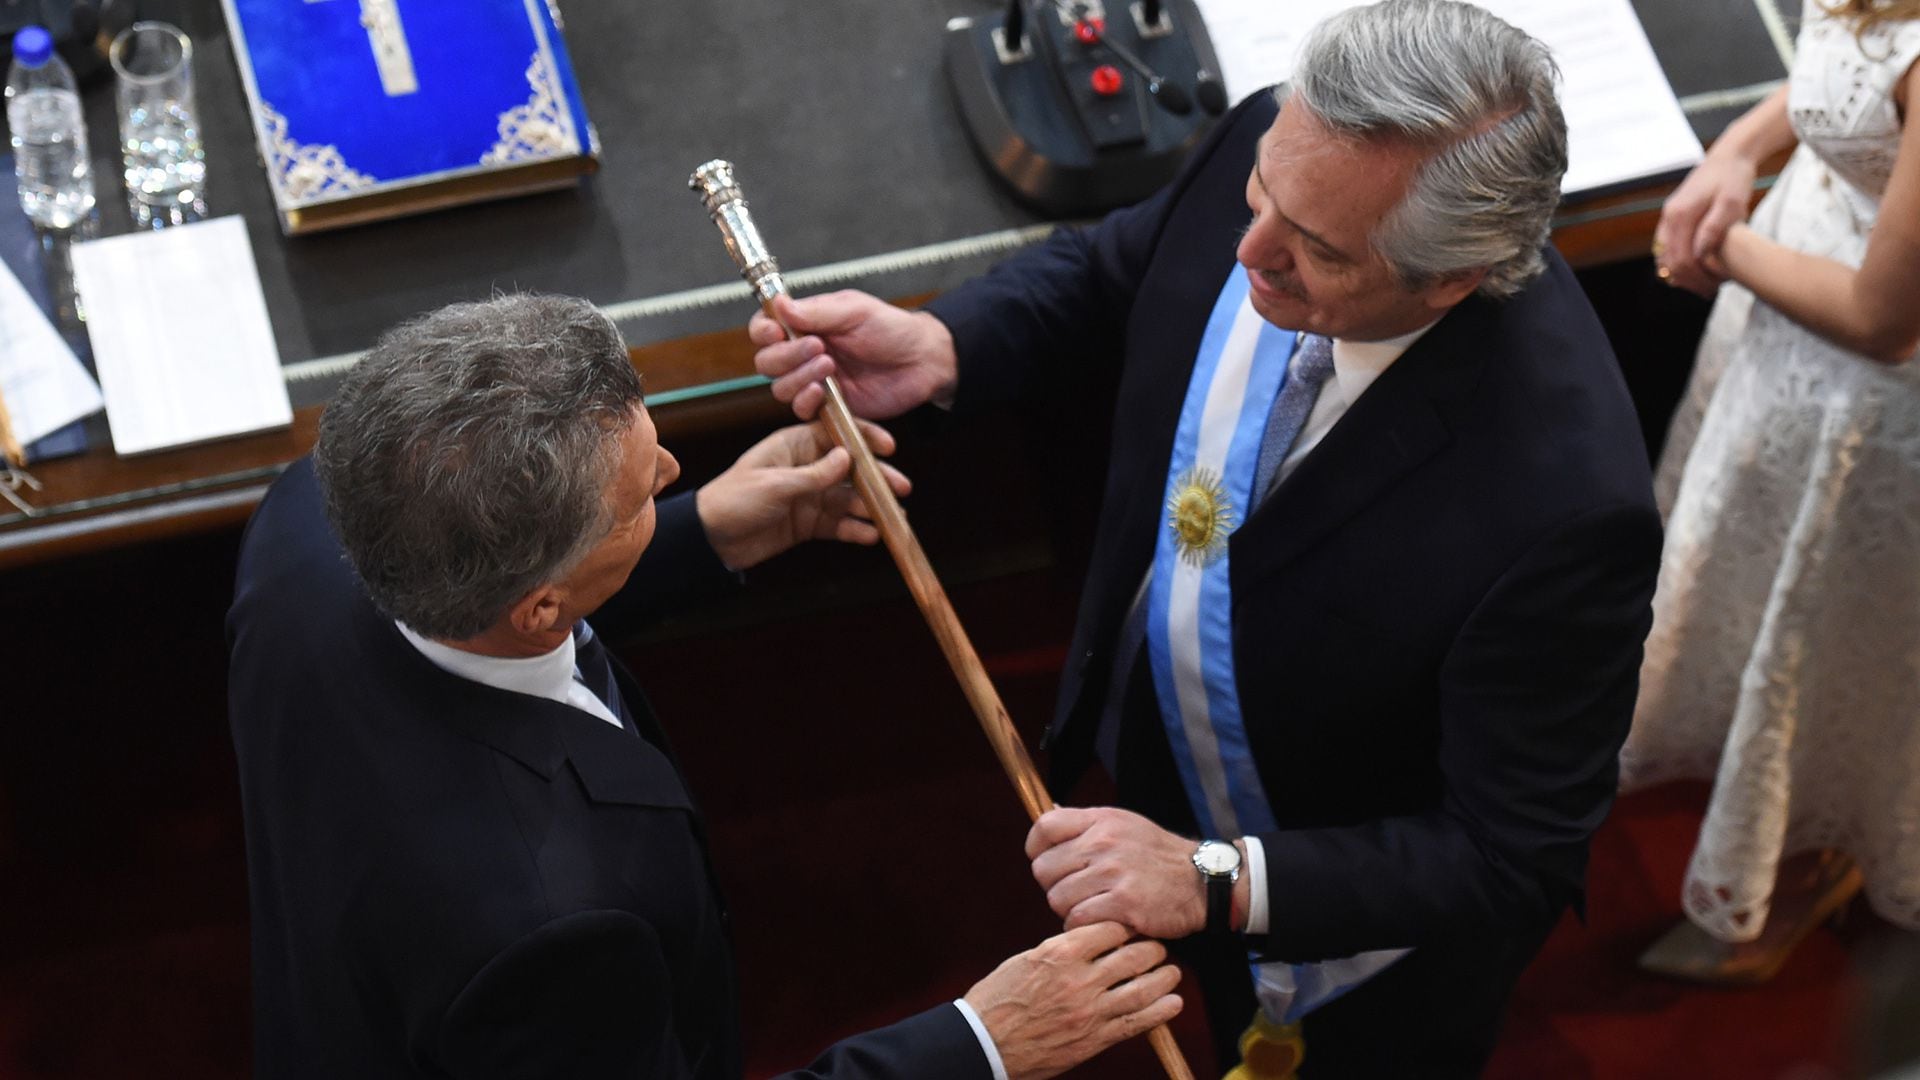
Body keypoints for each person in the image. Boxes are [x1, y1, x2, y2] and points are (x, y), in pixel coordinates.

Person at [750, 2, 1660, 1075]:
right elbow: (1121, 262)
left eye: (1311, 250)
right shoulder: (1285, 143)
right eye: (1261, 193)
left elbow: (1509, 857)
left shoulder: (1567, 507)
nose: (1249, 249)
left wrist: (1216, 882)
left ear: (1451, 278)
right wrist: (951, 341)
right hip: (1154, 761)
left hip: (1341, 923)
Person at [225, 294, 1183, 1079]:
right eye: (644, 494)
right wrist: (981, 1042)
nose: (679, 471)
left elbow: (510, 609)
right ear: (542, 606)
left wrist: (707, 528)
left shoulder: (308, 520)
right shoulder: (552, 926)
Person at [1622, 0, 1920, 982]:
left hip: (1871, 395)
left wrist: (1717, 238)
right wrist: (1737, 149)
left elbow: (1885, 320)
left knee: (1830, 638)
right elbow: (1849, 71)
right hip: (1801, 278)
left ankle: (1816, 851)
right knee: (1748, 566)